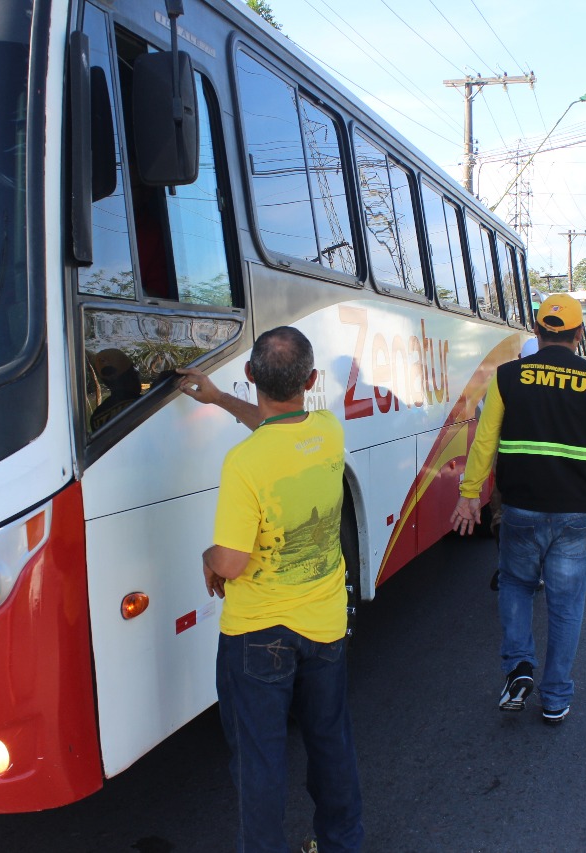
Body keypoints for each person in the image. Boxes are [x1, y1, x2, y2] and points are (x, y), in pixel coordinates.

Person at [176, 327, 363, 853]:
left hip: (258, 636)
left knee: (260, 762)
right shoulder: (328, 430)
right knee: (330, 742)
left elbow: (232, 563)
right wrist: (218, 399)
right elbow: (279, 428)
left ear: (250, 374)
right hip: (326, 626)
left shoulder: (244, 462)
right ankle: (342, 843)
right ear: (312, 380)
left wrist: (208, 558)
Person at [450, 293, 586, 727]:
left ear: (536, 330)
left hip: (522, 506)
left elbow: (485, 440)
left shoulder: (508, 376)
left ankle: (519, 667)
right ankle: (555, 698)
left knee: (516, 583)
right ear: (579, 334)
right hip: (577, 510)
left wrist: (469, 493)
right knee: (566, 602)